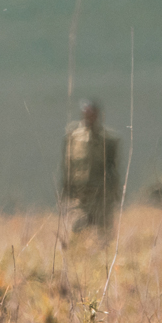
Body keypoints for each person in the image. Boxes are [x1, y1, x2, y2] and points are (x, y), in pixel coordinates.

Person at [61, 100, 121, 239]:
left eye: (92, 114)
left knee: (103, 232)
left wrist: (114, 192)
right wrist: (66, 189)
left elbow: (113, 168)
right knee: (76, 229)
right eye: (86, 114)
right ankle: (77, 256)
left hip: (101, 193)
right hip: (80, 194)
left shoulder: (108, 140)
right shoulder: (74, 137)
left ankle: (103, 258)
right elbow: (67, 166)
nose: (89, 117)